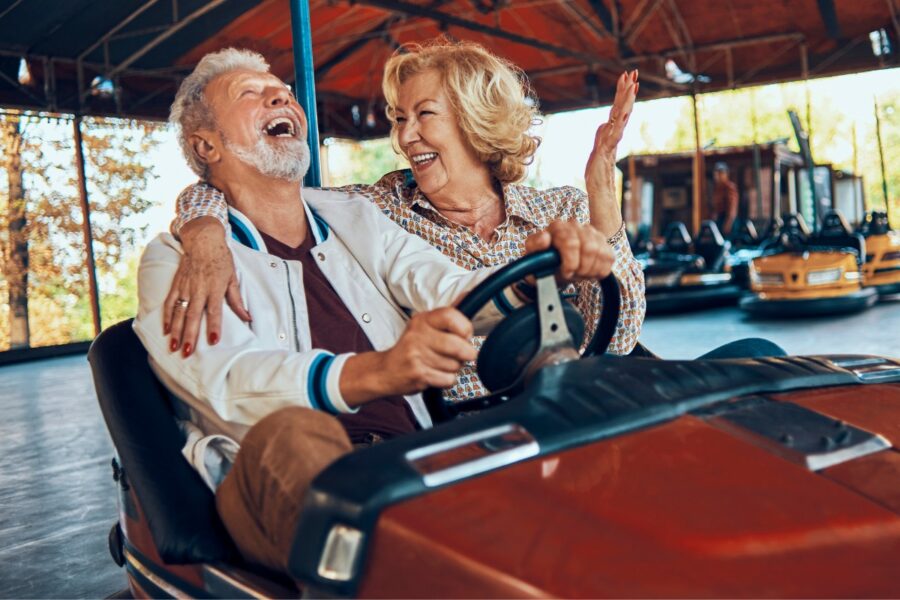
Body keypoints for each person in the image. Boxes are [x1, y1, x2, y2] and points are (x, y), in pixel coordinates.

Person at [133, 48, 617, 575]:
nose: (279, 97)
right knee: (291, 431)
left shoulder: (353, 216)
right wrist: (379, 371)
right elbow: (224, 378)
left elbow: (443, 286)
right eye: (249, 94)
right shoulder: (176, 260)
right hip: (275, 480)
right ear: (206, 144)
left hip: (409, 460)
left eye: (284, 92)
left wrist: (533, 277)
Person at [162, 40, 646, 402]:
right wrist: (202, 228)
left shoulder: (557, 211)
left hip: (568, 403)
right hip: (467, 425)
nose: (406, 135)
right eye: (398, 118)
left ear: (474, 120)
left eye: (423, 114)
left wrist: (602, 188)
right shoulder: (377, 211)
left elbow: (617, 341)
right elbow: (262, 187)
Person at [712, 161, 738, 235]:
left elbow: (732, 206)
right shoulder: (717, 188)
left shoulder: (729, 187)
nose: (718, 176)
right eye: (717, 174)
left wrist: (729, 222)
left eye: (721, 173)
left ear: (726, 174)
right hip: (719, 219)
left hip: (727, 219)